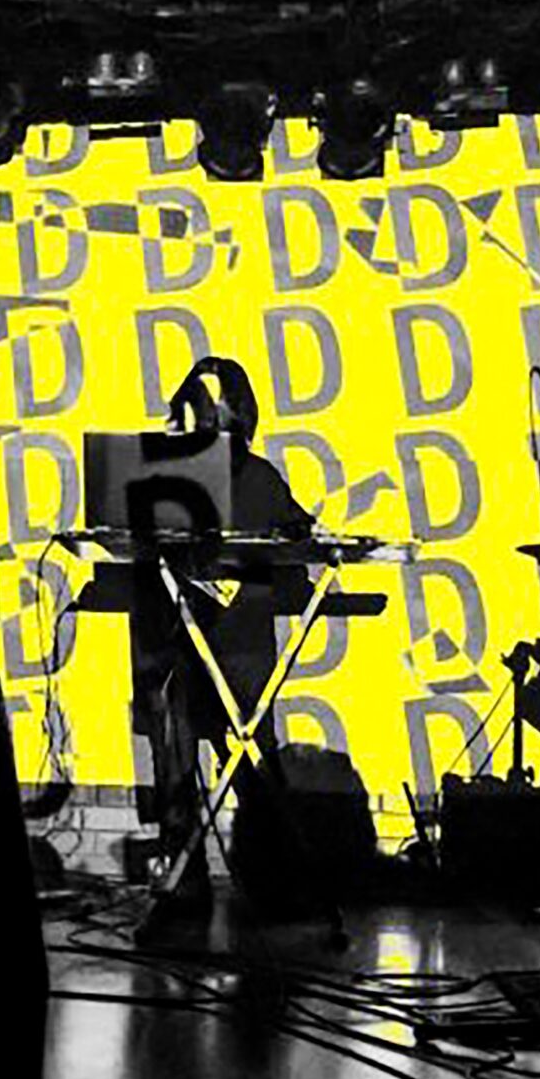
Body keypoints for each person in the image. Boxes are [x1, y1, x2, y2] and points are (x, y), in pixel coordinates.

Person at [127, 358, 315, 912]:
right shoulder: (159, 477)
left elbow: (297, 546)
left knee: (254, 757)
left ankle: (273, 879)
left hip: (240, 644)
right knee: (175, 752)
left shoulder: (260, 477)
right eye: (199, 410)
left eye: (217, 409)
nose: (208, 420)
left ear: (241, 414)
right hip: (175, 642)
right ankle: (184, 880)